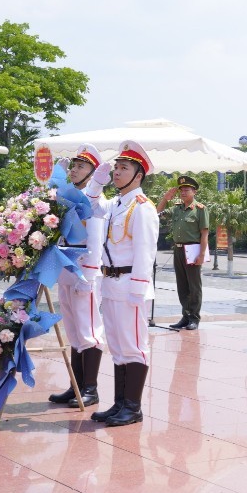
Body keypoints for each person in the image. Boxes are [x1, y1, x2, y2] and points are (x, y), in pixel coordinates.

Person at [91, 140, 160, 427]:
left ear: (139, 175)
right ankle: (120, 403)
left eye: (124, 168)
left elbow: (146, 251)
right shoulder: (117, 204)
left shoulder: (142, 207)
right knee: (118, 346)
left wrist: (138, 290)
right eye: (116, 167)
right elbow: (93, 207)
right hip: (111, 282)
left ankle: (133, 407)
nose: (117, 172)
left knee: (134, 346)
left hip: (131, 284)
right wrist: (96, 182)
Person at [49, 143, 111, 408]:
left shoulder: (95, 201)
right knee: (74, 330)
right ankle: (75, 386)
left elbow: (95, 240)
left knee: (89, 330)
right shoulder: (68, 195)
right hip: (66, 269)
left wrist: (89, 273)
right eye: (73, 166)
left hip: (85, 271)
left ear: (93, 172)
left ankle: (91, 389)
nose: (74, 170)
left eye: (81, 166)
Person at [156, 175, 208, 331]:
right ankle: (185, 317)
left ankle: (194, 318)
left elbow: (204, 233)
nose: (183, 193)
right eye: (181, 190)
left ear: (194, 192)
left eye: (187, 190)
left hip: (193, 248)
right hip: (178, 249)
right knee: (182, 286)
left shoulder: (200, 209)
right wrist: (165, 199)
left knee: (194, 286)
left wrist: (202, 254)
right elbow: (156, 213)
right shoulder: (177, 208)